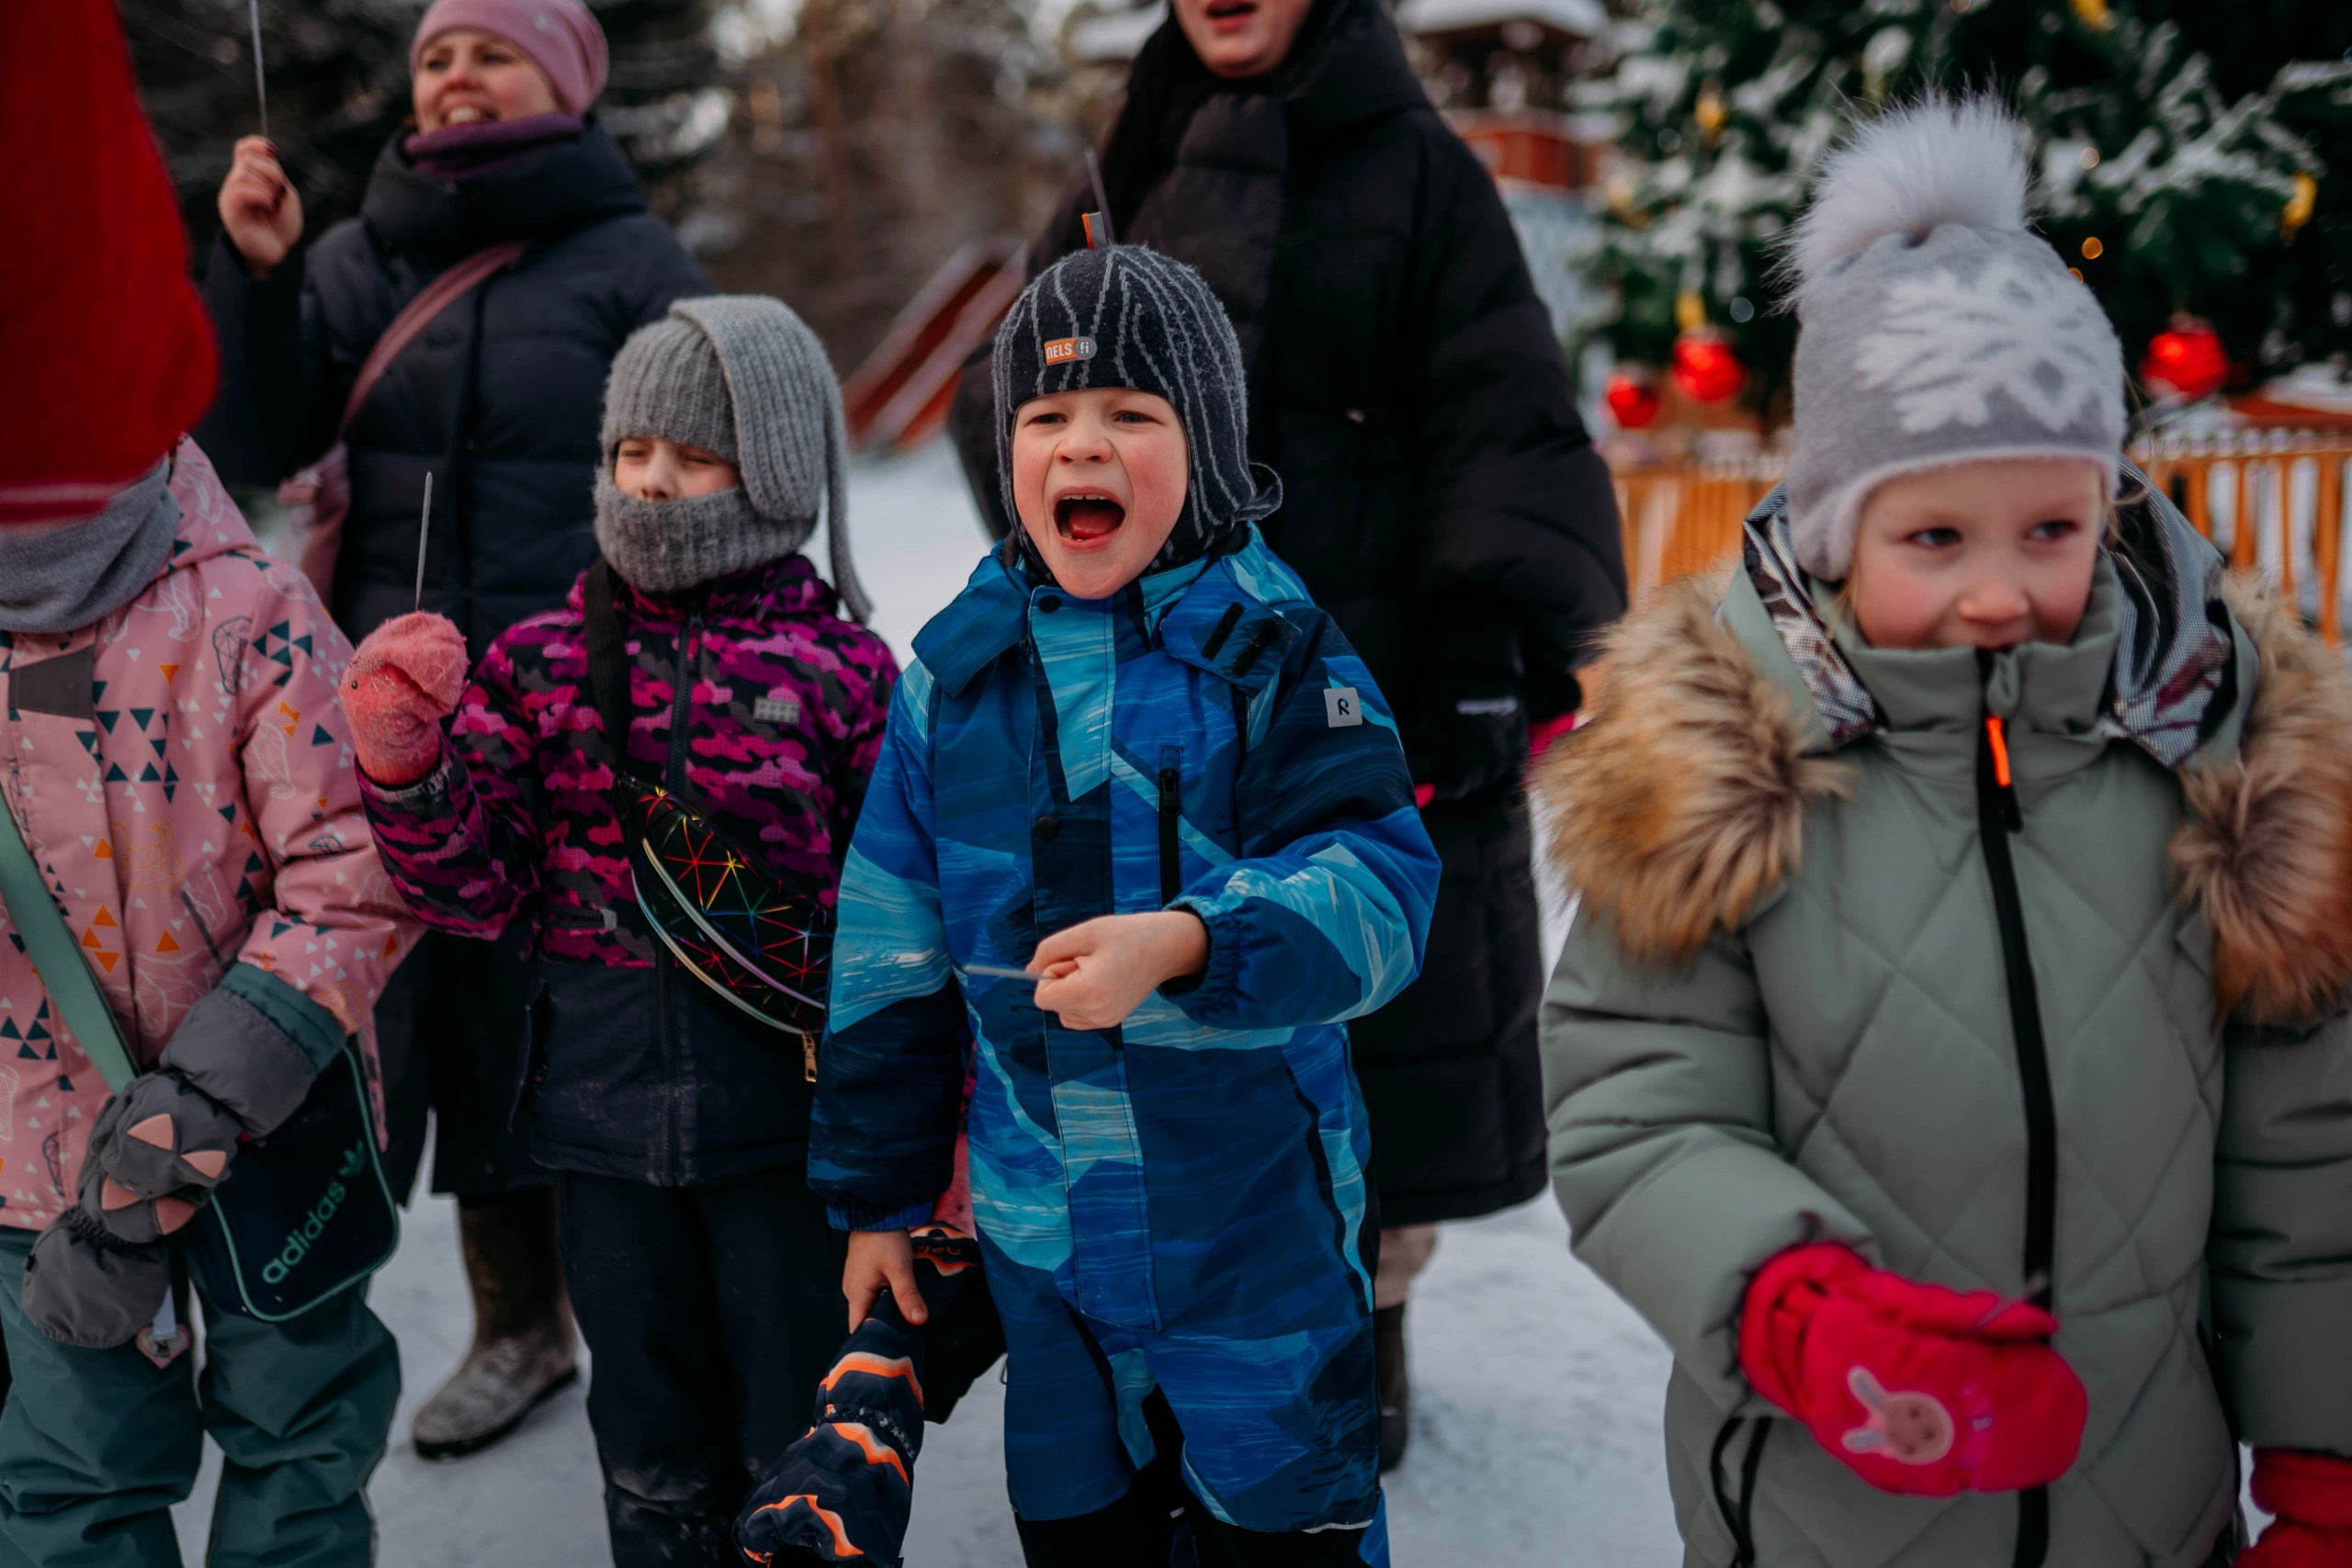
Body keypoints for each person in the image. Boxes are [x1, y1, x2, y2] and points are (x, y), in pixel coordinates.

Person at [1538, 98, 2352, 1568]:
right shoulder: (1718, 775)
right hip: (1824, 1499)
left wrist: (2325, 1453)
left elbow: (2304, 1151)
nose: (1999, 589)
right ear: (1844, 530)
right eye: (1936, 537)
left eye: (2049, 528)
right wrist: (1792, 1302)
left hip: (2146, 1505)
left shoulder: (2223, 761)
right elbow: (1635, 1108)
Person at [946, 0, 1626, 1465]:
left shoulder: (1422, 168)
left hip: (1364, 654)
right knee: (1172, 1002)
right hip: (1157, 675)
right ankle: (1160, 1315)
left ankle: (1366, 1311)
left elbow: (1500, 408)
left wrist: (1483, 635)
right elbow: (1014, 375)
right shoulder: (1126, 155)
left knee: (1368, 993)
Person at [814, 243, 1441, 1566]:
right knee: (1082, 1531)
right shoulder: (957, 678)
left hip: (1252, 1238)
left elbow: (1383, 881)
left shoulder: (1277, 651)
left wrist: (1194, 936)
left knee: (1288, 1531)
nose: (1079, 445)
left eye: (1131, 416)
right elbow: (887, 946)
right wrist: (879, 1194)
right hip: (1045, 1248)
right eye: (1045, 418)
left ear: (1204, 448)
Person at [197, 0, 712, 1460]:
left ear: (562, 76)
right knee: (432, 1009)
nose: (458, 74)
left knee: (584, 999)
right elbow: (248, 439)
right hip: (385, 702)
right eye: (437, 54)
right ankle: (520, 1321)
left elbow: (707, 466)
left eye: (492, 48)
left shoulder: (635, 259)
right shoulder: (354, 256)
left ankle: (659, 1330)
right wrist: (252, 274)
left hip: (586, 698)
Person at [340, 294, 894, 1564]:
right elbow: (468, 885)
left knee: (805, 1442)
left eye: (693, 455)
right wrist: (406, 760)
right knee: (647, 1445)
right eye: (631, 452)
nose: (652, 483)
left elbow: (903, 927)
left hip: (789, 1139)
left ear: (777, 469)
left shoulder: (846, 675)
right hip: (596, 1128)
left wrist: (922, 1122)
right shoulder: (538, 666)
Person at [0, 434, 418, 1565]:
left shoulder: (250, 610)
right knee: (73, 1486)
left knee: (302, 1441)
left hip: (270, 1127)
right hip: (36, 1164)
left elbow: (353, 874)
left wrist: (208, 1098)